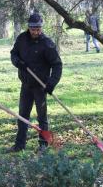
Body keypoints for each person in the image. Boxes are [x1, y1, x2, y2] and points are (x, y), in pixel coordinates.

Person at [8, 13, 63, 153]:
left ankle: (43, 146)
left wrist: (52, 83)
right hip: (26, 85)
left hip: (41, 87)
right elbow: (13, 54)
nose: (36, 32)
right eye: (33, 29)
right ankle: (19, 145)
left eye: (38, 29)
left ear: (41, 28)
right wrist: (18, 62)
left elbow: (57, 65)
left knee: (42, 117)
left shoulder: (47, 44)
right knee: (22, 116)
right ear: (29, 27)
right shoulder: (21, 39)